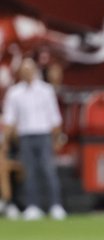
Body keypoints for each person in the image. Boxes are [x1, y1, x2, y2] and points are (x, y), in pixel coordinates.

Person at [1, 57, 67, 221]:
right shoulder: (15, 93)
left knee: (48, 170)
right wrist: (5, 141)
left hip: (44, 134)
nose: (27, 73)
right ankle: (33, 206)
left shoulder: (46, 90)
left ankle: (55, 205)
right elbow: (9, 119)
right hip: (25, 136)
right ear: (20, 73)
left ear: (35, 71)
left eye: (29, 70)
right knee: (29, 173)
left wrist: (57, 138)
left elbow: (54, 117)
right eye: (24, 70)